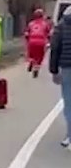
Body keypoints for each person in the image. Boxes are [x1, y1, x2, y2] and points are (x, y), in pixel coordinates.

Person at [47, 8, 71, 146]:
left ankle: (70, 136)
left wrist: (54, 71)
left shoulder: (61, 26)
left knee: (69, 103)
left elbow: (55, 49)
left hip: (67, 68)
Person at [24, 8, 53, 77]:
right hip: (41, 42)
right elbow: (49, 34)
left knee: (31, 54)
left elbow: (26, 34)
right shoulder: (45, 24)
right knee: (39, 56)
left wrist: (28, 40)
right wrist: (49, 42)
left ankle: (31, 61)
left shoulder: (31, 24)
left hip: (32, 42)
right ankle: (36, 68)